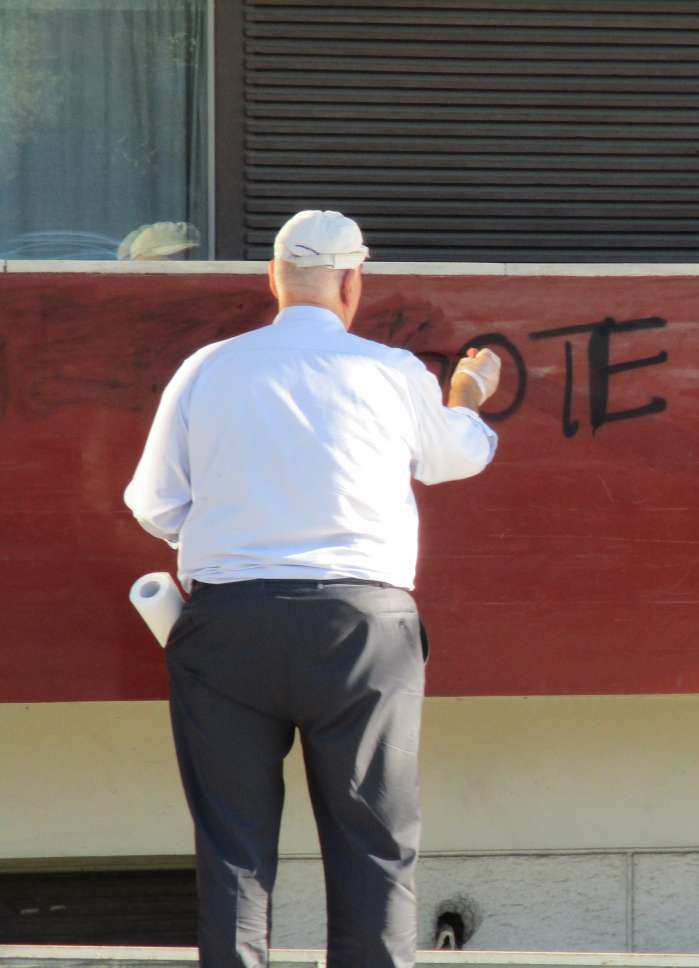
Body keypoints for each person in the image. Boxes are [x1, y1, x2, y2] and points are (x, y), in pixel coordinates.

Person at [124, 210, 501, 968]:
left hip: (228, 625)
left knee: (233, 849)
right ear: (352, 283)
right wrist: (465, 395)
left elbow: (154, 504)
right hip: (363, 630)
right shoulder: (392, 371)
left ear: (273, 278)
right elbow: (456, 456)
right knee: (373, 845)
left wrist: (233, 539)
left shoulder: (207, 368)